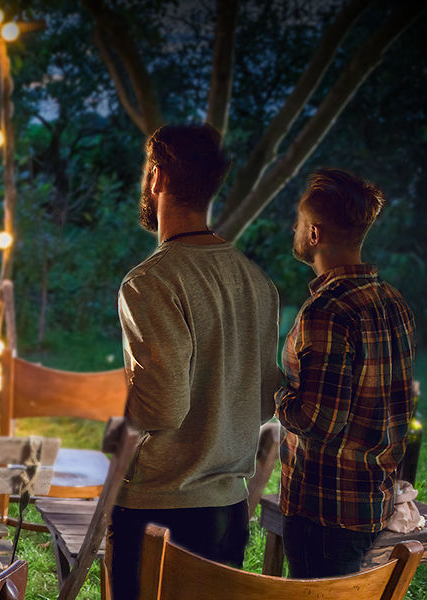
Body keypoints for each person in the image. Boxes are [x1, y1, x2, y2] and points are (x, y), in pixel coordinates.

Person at [109, 123, 282, 600]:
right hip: (228, 511)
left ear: (158, 177)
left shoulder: (150, 282)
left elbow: (163, 409)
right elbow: (266, 400)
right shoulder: (257, 281)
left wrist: (118, 414)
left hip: (159, 513)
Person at [277, 168, 416, 578]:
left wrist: (277, 394)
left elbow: (318, 421)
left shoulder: (327, 311)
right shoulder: (393, 301)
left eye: (299, 223)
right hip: (371, 500)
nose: (294, 229)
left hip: (324, 509)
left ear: (314, 234)